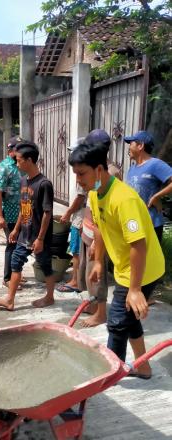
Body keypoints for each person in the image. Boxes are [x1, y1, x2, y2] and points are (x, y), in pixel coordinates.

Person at [69, 143, 165, 378]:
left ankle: (110, 375)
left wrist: (134, 289)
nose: (78, 180)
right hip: (125, 267)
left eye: (82, 174)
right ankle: (143, 366)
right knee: (129, 319)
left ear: (99, 170)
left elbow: (138, 245)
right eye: (76, 174)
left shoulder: (124, 200)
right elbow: (101, 228)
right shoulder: (96, 193)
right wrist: (99, 261)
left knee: (117, 322)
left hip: (144, 269)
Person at [0, 141, 55, 311]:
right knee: (16, 261)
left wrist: (40, 239)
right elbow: (23, 207)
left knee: (45, 265)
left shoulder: (44, 184)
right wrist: (17, 229)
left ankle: (50, 297)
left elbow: (48, 213)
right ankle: (9, 300)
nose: (17, 163)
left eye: (19, 160)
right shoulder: (24, 180)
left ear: (30, 160)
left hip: (39, 236)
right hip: (25, 233)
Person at [77, 129, 121, 327]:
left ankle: (101, 313)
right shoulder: (93, 168)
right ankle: (95, 307)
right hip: (88, 229)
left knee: (97, 274)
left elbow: (106, 213)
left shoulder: (110, 172)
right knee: (87, 271)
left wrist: (96, 240)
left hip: (99, 234)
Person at [124, 130, 172, 243]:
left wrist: (156, 196)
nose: (129, 147)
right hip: (134, 225)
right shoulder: (132, 168)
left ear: (140, 146)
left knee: (150, 260)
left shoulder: (155, 164)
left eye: (131, 144)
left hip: (151, 224)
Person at [56, 139, 87, 294]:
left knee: (76, 251)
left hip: (81, 217)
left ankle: (76, 281)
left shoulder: (85, 171)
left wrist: (68, 213)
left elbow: (80, 198)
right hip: (82, 216)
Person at [0, 136, 22, 288]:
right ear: (11, 150)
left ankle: (16, 273)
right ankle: (8, 278)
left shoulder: (22, 164)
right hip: (10, 213)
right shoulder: (4, 167)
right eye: (18, 148)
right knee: (12, 245)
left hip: (24, 212)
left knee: (21, 246)